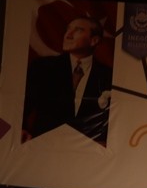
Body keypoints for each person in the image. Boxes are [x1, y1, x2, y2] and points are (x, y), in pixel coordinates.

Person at [21, 15, 113, 144]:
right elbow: (21, 103)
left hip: (89, 155)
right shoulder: (42, 67)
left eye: (78, 30)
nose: (68, 35)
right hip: (43, 148)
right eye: (68, 29)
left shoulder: (109, 76)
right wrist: (21, 129)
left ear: (94, 40)